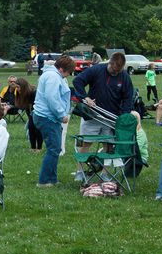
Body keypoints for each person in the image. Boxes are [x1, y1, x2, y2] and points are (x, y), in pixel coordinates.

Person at [73, 52, 134, 181]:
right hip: (93, 115)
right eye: (113, 69)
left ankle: (105, 174)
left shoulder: (124, 76)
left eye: (118, 70)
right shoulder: (96, 70)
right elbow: (77, 81)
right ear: (109, 63)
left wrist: (123, 116)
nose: (115, 72)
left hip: (111, 118)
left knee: (109, 146)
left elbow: (128, 97)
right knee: (86, 143)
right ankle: (80, 172)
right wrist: (85, 98)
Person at [32, 55, 75, 186]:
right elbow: (52, 98)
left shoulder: (52, 75)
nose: (68, 75)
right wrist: (62, 114)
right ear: (62, 69)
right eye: (68, 72)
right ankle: (44, 181)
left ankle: (52, 179)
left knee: (55, 148)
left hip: (47, 116)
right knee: (54, 148)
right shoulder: (53, 77)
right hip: (47, 117)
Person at [14, 77, 44, 152]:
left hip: (38, 112)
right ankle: (33, 147)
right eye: (16, 87)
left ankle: (39, 148)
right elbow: (25, 106)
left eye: (18, 87)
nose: (17, 89)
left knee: (37, 129)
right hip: (31, 113)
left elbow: (37, 105)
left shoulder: (34, 92)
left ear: (23, 86)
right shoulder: (22, 93)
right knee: (31, 128)